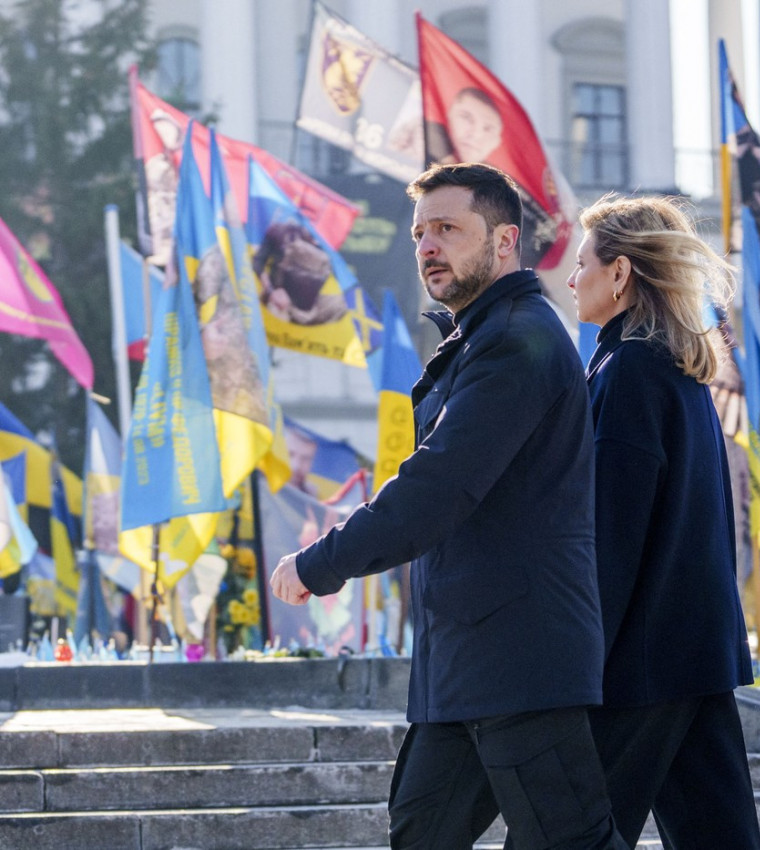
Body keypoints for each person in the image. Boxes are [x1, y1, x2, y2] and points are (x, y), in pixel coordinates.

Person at [270, 162, 626, 850]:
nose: (427, 246)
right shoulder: (481, 337)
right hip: (465, 661)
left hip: (521, 657)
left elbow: (438, 484)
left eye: (448, 229)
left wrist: (324, 561)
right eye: (419, 233)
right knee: (421, 835)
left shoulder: (518, 339)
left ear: (503, 241)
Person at [565, 195, 760, 848]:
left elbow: (611, 538)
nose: (570, 278)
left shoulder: (627, 373)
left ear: (618, 273)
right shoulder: (673, 366)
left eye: (581, 262)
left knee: (564, 834)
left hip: (640, 664)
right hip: (696, 651)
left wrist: (576, 665)